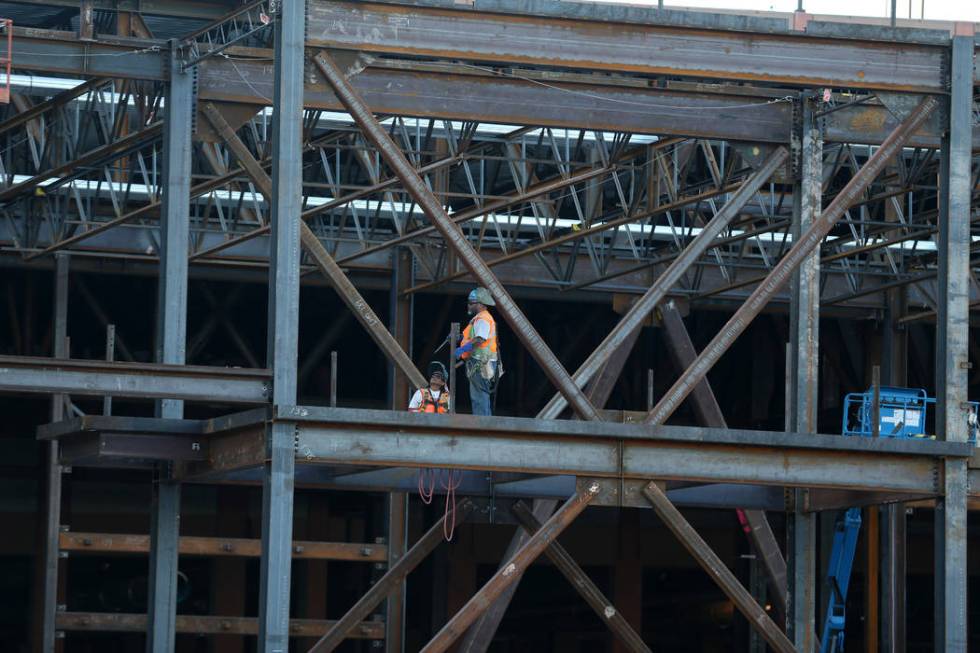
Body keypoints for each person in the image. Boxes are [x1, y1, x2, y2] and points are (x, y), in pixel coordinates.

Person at [455, 287, 498, 416]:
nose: (469, 305)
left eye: (471, 303)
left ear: (480, 304)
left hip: (481, 362)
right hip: (481, 362)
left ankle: (482, 426)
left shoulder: (483, 319)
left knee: (479, 396)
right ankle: (484, 424)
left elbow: (479, 339)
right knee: (479, 395)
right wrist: (460, 338)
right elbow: (473, 336)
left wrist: (462, 349)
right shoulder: (479, 319)